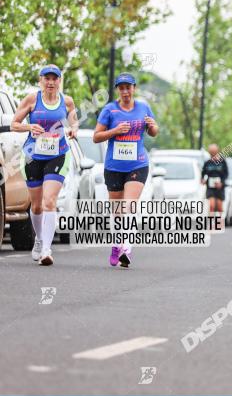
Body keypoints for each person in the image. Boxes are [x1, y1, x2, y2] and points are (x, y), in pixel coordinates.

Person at [11, 65, 79, 266]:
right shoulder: (32, 99)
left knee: (50, 201)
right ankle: (39, 240)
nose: (50, 82)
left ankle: (47, 250)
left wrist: (73, 130)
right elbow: (15, 123)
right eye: (46, 78)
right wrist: (29, 126)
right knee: (37, 204)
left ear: (59, 81)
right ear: (41, 80)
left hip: (58, 154)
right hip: (33, 155)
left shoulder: (67, 101)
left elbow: (73, 122)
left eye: (54, 78)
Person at [93, 73, 159, 268]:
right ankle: (116, 244)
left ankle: (126, 248)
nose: (125, 91)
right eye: (121, 87)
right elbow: (96, 137)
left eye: (128, 87)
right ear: (117, 90)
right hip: (114, 165)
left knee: (129, 206)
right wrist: (114, 131)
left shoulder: (143, 107)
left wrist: (153, 126)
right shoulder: (109, 110)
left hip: (137, 163)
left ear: (134, 88)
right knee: (117, 211)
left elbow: (153, 132)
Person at [201, 144, 228, 226]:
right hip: (210, 187)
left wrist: (221, 183)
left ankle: (220, 222)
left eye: (214, 152)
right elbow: (203, 173)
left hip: (220, 187)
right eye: (211, 153)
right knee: (212, 205)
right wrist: (203, 179)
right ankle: (211, 223)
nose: (213, 154)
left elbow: (226, 174)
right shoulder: (208, 163)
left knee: (219, 206)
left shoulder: (222, 162)